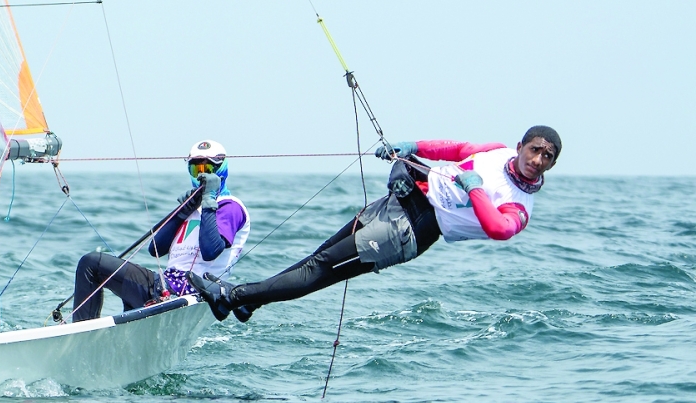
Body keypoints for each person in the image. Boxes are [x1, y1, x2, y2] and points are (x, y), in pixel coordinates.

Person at [189, 125, 561, 322]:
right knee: (319, 255)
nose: (538, 160)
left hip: (411, 230)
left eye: (547, 157)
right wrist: (412, 147)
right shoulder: (495, 151)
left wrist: (475, 189)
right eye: (535, 150)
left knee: (321, 269)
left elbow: (499, 229)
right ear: (520, 147)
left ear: (552, 164)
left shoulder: (519, 206)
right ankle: (250, 303)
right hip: (402, 198)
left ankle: (232, 297)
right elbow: (458, 150)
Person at [71, 140, 251, 322]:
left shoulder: (230, 206)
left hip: (189, 293)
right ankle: (85, 329)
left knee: (92, 263)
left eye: (207, 169)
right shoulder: (193, 206)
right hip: (163, 286)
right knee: (91, 264)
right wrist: (182, 212)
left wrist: (209, 202)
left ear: (221, 170)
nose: (201, 175)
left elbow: (210, 251)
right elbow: (155, 249)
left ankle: (82, 330)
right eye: (196, 170)